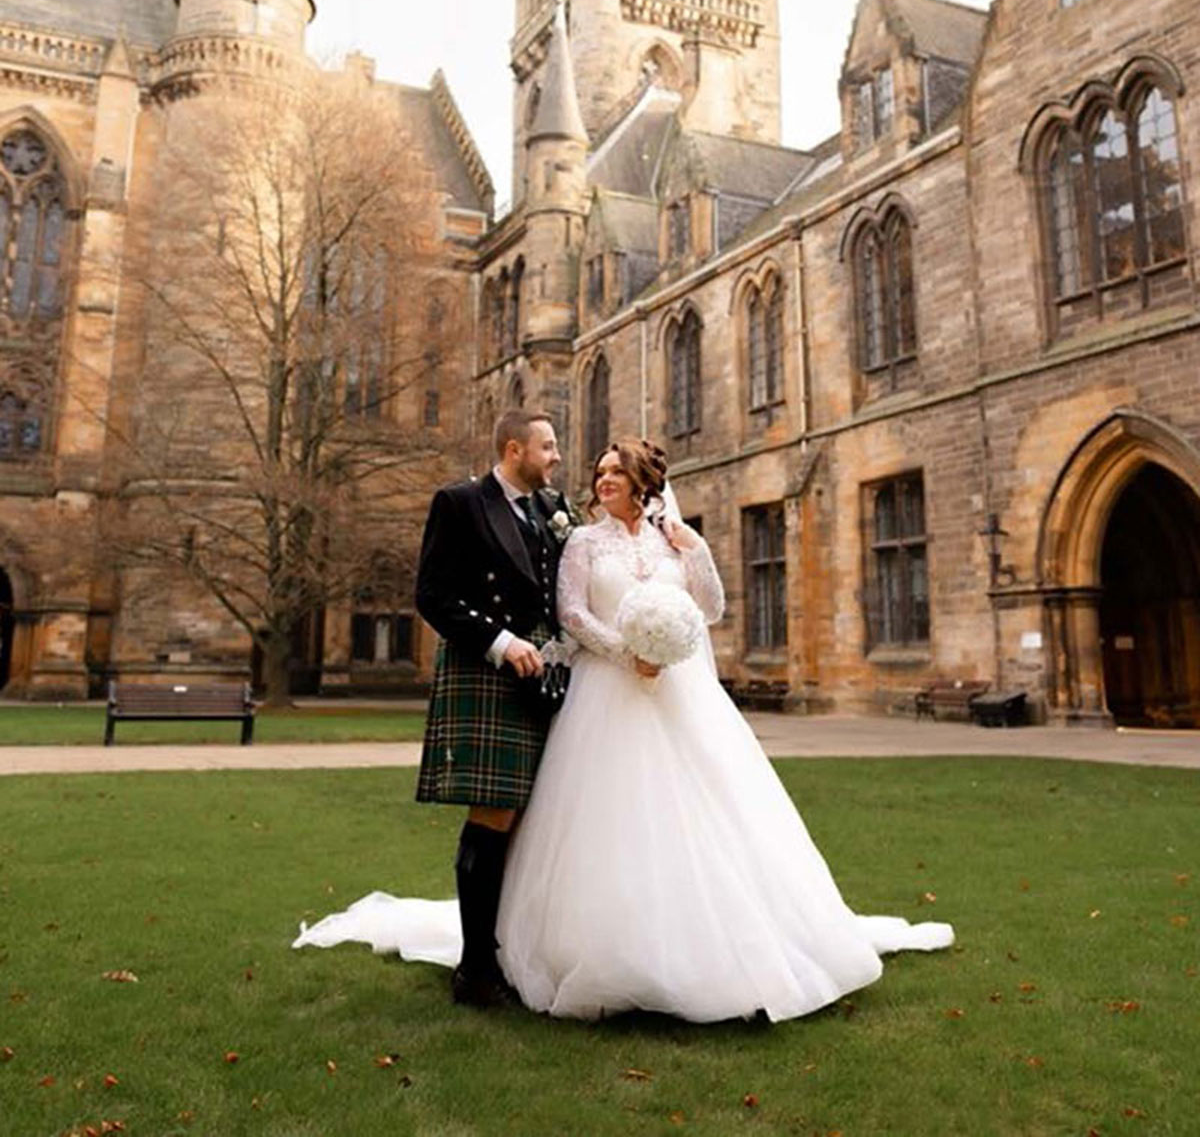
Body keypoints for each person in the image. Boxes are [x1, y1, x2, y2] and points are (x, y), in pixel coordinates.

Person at [295, 435, 953, 1023]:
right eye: (598, 472)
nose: (600, 481)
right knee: (604, 820)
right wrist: (626, 652)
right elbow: (572, 615)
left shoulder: (675, 537)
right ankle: (566, 953)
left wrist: (688, 561)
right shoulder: (580, 539)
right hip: (605, 694)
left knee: (703, 816)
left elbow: (713, 609)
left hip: (678, 696)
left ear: (643, 482)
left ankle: (714, 942)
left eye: (614, 473)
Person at [410, 407, 571, 1008]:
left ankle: (511, 947)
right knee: (494, 812)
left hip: (547, 675)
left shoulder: (551, 510)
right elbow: (431, 595)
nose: (556, 457)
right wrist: (500, 644)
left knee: (533, 814)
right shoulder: (459, 503)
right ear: (513, 450)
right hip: (489, 672)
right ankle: (474, 969)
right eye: (548, 446)